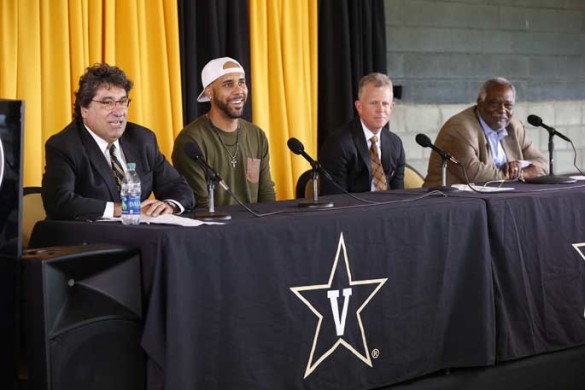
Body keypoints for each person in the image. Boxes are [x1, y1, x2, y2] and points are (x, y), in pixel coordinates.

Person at [42, 63, 195, 221]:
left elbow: (178, 187)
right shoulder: (64, 145)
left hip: (140, 234)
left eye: (122, 102)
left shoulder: (142, 139)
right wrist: (121, 209)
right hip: (88, 239)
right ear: (84, 110)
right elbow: (59, 202)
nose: (119, 112)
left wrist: (169, 205)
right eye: (107, 103)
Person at [172, 57, 275, 208]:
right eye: (228, 84)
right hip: (213, 228)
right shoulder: (191, 140)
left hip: (254, 227)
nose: (239, 90)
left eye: (242, 82)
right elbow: (201, 204)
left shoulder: (256, 135)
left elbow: (266, 193)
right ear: (209, 92)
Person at [423, 77, 548, 187]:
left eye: (508, 105)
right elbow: (474, 174)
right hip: (446, 202)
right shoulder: (460, 128)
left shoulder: (514, 127)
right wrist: (520, 174)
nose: (502, 110)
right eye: (494, 104)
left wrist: (520, 165)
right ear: (480, 103)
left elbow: (543, 163)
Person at [318, 72, 405, 195]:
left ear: (391, 107)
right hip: (352, 212)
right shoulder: (338, 144)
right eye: (374, 103)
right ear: (359, 107)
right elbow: (335, 199)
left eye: (385, 104)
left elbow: (399, 195)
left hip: (389, 212)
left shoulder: (395, 143)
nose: (380, 109)